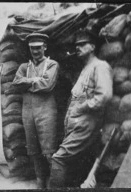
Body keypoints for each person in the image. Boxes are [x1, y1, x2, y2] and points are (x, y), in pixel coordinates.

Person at [48, 29, 113, 188]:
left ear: (92, 47)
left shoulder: (100, 66)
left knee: (58, 158)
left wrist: (83, 107)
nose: (78, 47)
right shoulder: (86, 69)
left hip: (87, 124)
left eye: (82, 44)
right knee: (76, 166)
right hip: (78, 126)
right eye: (76, 45)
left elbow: (104, 95)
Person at [12, 33, 62, 189]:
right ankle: (40, 181)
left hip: (46, 111)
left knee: (49, 151)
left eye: (38, 48)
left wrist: (27, 84)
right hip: (27, 111)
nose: (35, 51)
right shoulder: (23, 67)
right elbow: (16, 83)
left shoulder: (52, 64)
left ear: (45, 47)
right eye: (32, 48)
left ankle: (54, 183)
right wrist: (34, 80)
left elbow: (47, 85)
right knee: (33, 150)